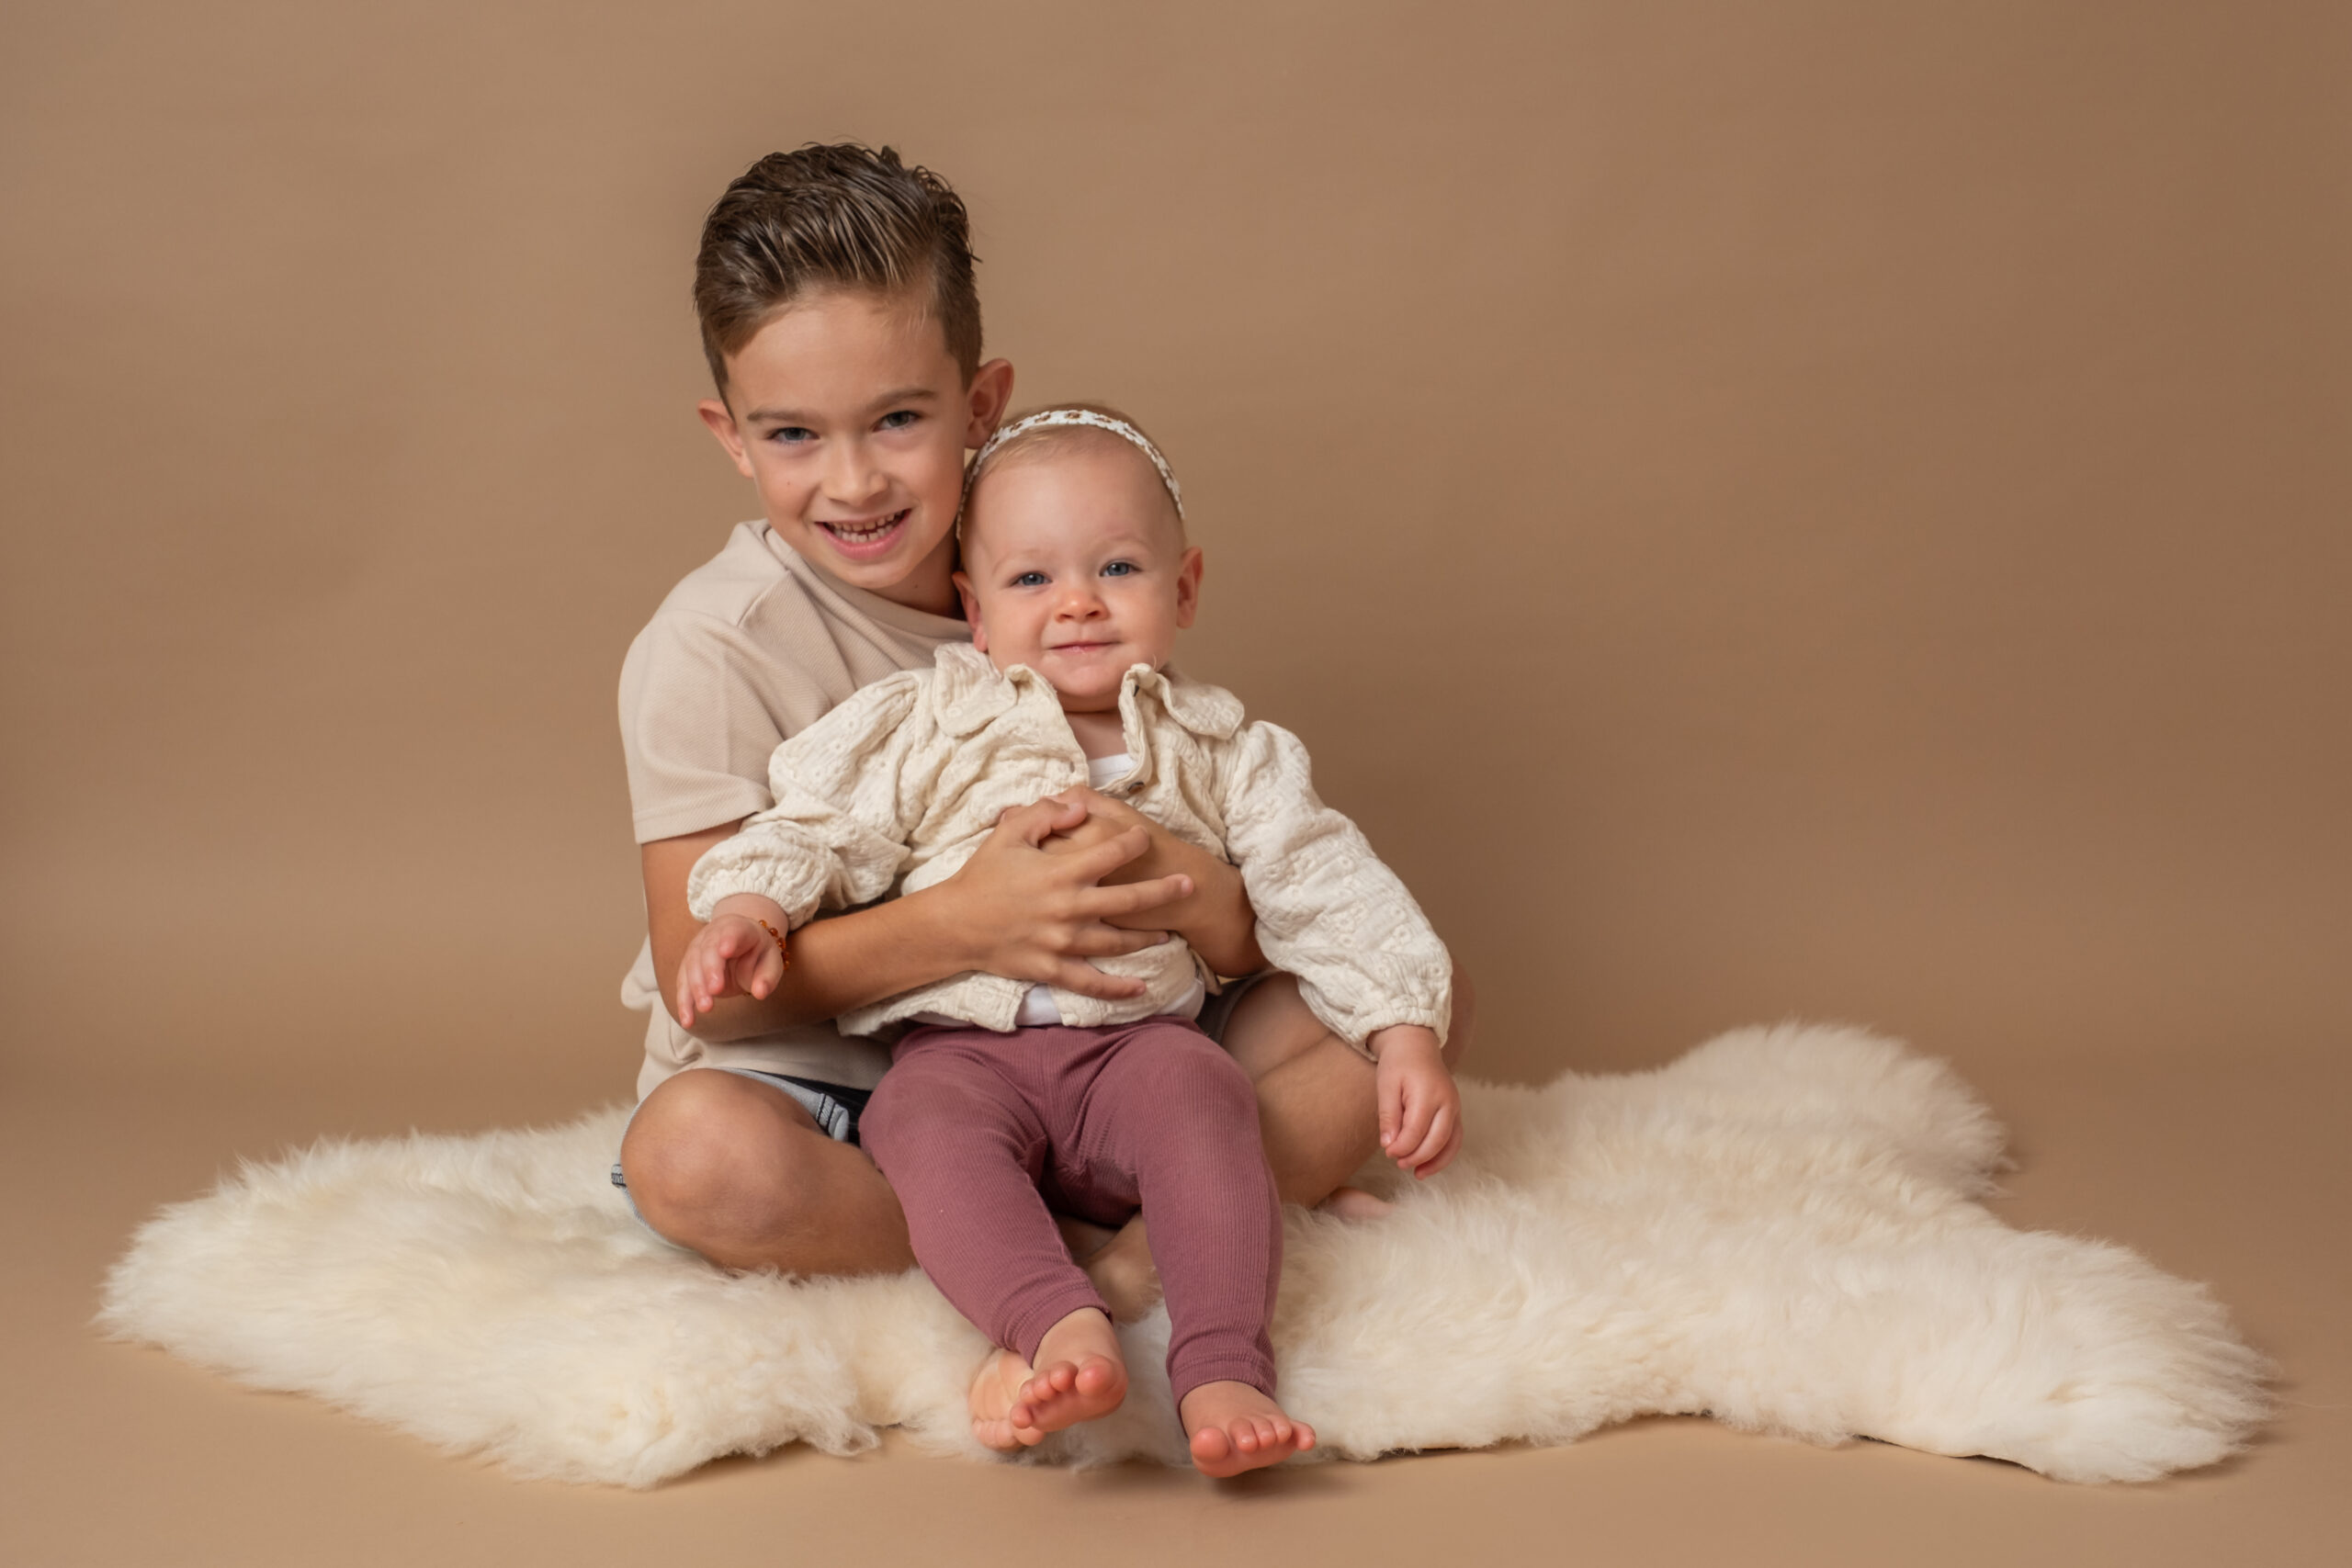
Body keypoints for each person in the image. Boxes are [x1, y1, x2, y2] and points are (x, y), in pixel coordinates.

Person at [609, 141, 1476, 1425]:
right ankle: (1111, 1251)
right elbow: (718, 983)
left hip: (1117, 1030)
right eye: (794, 434)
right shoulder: (712, 648)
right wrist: (967, 923)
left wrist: (1183, 888)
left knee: (1391, 1004)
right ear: (731, 437)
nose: (854, 481)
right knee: (689, 1157)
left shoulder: (1060, 546)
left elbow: (1255, 886)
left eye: (899, 420)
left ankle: (1136, 1237)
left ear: (981, 403)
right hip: (846, 1077)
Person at [674, 405, 1459, 1473]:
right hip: (961, 1055)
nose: (1078, 601)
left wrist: (1403, 1029)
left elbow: (1325, 884)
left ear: (1183, 588)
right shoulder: (929, 723)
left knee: (1207, 1101)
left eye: (1118, 568)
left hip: (1139, 1049)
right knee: (917, 1126)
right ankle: (1055, 1322)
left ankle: (1223, 1366)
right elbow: (817, 827)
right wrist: (749, 909)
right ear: (975, 610)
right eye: (1032, 578)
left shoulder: (1223, 748)